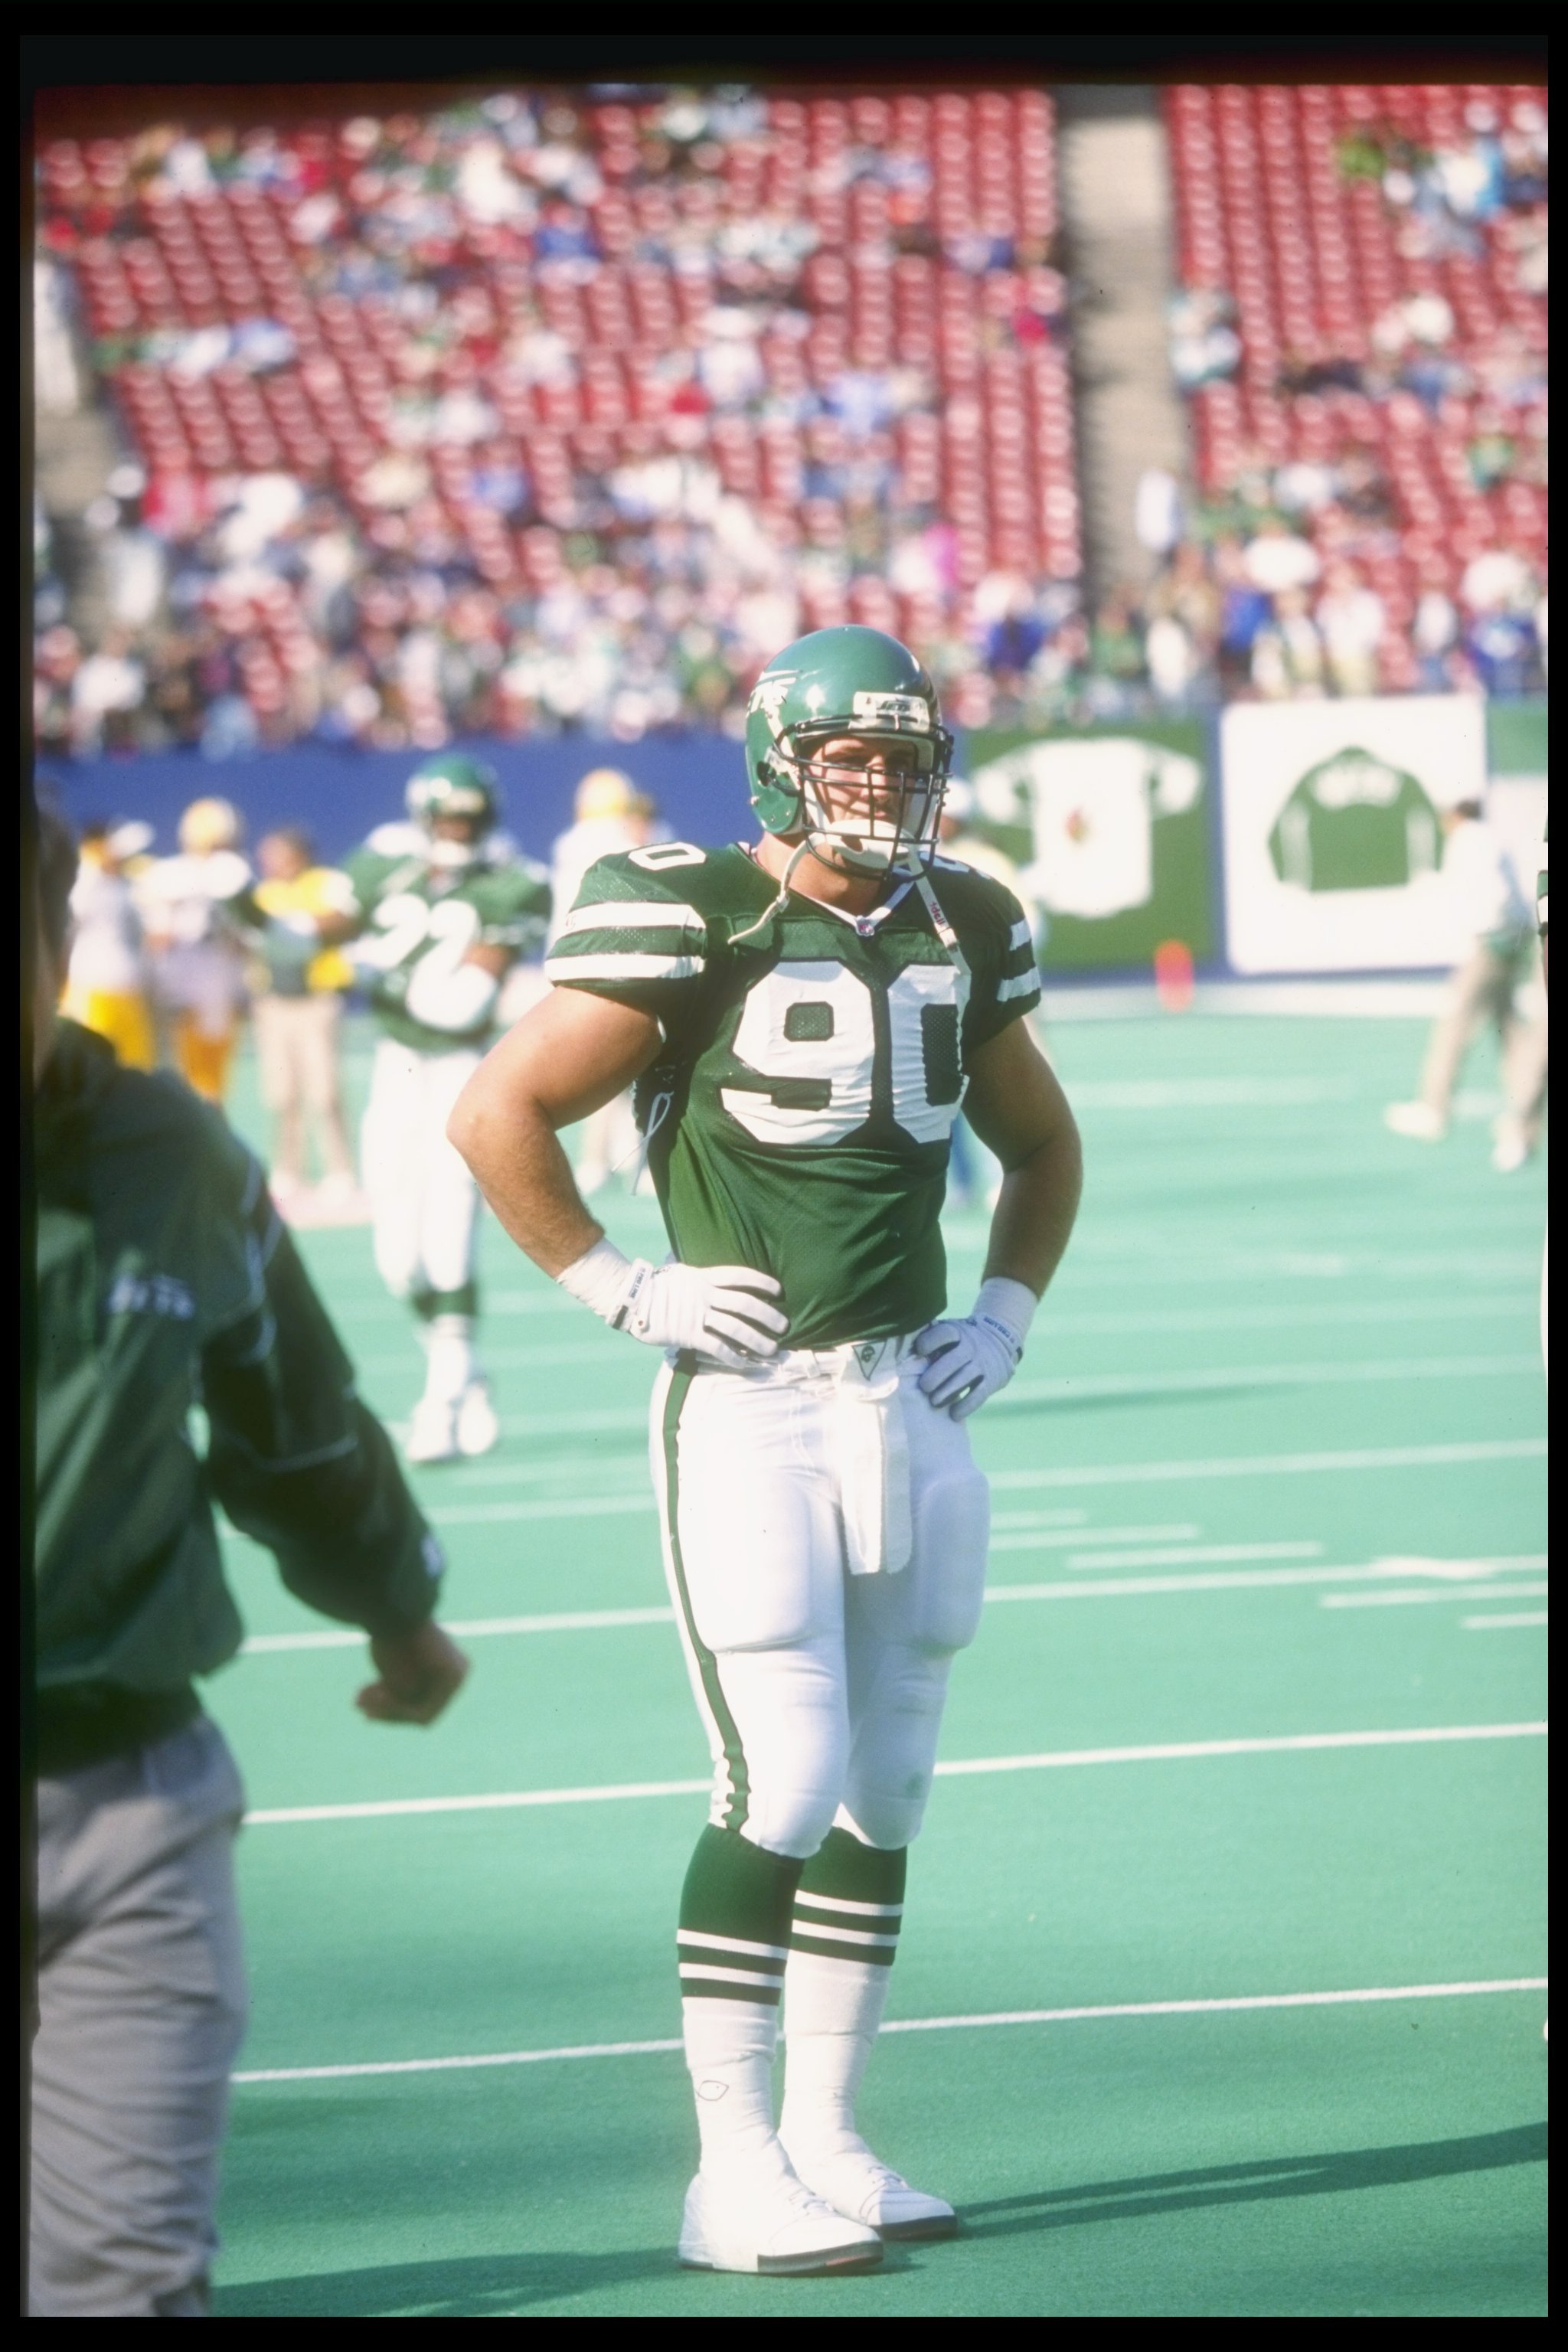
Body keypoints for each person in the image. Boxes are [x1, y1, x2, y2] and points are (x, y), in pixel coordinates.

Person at [449, 627, 1083, 2276]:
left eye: (906, 758)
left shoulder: (969, 917)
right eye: (853, 759)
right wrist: (616, 1284)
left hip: (909, 1396)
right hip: (750, 1405)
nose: (886, 788)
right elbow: (495, 1110)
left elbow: (1042, 1141)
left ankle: (828, 2136)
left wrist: (1005, 1312)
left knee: (890, 1782)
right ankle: (727, 2168)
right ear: (781, 763)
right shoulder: (688, 902)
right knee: (780, 1776)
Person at [28, 797, 470, 2318]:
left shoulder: (171, 1152)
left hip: (125, 1805)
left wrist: (395, 1610)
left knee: (124, 2285)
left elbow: (290, 1419)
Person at [330, 757, 551, 1463]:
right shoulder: (383, 864)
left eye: (468, 819)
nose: (456, 831)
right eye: (446, 818)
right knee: (398, 1260)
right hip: (396, 1072)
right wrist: (252, 913)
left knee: (451, 1235)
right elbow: (311, 932)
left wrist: (374, 969)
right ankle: (467, 1374)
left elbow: (459, 1005)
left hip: (463, 1070)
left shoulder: (517, 884)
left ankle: (441, 1400)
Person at [1386, 798, 1547, 1171]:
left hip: (1492, 944)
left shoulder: (1470, 841)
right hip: (1509, 940)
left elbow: (1496, 893)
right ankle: (1520, 1122)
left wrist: (1496, 932)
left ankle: (1435, 1107)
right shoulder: (1487, 838)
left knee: (1454, 1025)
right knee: (1511, 1031)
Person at [547, 767, 663, 1195]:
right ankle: (615, 1160)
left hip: (584, 965)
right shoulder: (612, 846)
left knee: (610, 1071)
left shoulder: (572, 844)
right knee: (627, 1067)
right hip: (617, 966)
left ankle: (601, 1160)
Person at [240, 826, 364, 1223]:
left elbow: (340, 920)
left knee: (324, 1091)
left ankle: (339, 1171)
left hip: (316, 1000)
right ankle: (288, 1171)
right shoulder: (264, 894)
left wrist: (297, 926)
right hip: (274, 1004)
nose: (268, 863)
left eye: (275, 854)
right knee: (282, 1094)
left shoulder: (324, 884)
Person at [136, 797, 253, 1103]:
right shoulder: (170, 875)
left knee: (207, 1080)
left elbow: (245, 941)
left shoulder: (229, 871)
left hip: (212, 986)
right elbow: (155, 938)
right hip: (185, 986)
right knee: (190, 1077)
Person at [60, 817, 158, 1071]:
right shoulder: (81, 879)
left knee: (138, 1069)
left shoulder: (124, 886)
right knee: (91, 1067)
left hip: (130, 992)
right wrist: (95, 861)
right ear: (94, 847)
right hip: (93, 990)